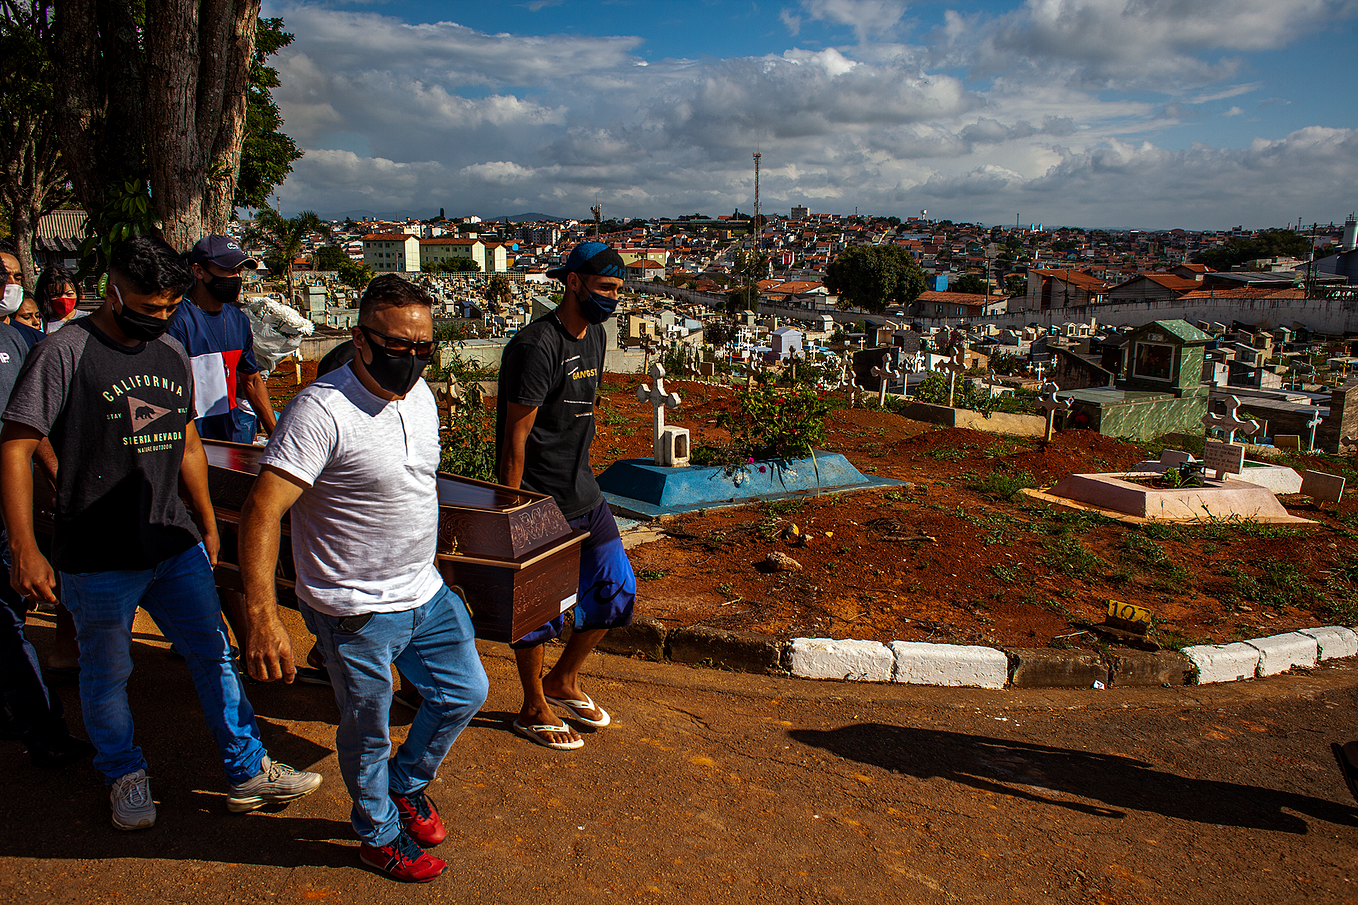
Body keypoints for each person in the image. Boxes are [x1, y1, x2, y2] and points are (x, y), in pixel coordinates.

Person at [0, 235, 321, 830]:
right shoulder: (64, 353)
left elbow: (189, 440)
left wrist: (204, 515)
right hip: (96, 553)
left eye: (171, 307)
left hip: (172, 542)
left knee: (215, 654)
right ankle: (124, 773)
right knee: (107, 672)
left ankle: (247, 768)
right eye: (149, 308)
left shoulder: (170, 349)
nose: (162, 318)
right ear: (114, 291)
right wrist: (24, 547)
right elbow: (16, 447)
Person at [240, 274, 488, 883]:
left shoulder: (422, 394)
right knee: (366, 730)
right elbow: (263, 510)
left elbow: (415, 489)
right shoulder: (320, 411)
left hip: (423, 590)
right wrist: (263, 614)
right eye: (397, 346)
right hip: (353, 607)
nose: (411, 358)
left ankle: (406, 785)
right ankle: (377, 834)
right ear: (361, 339)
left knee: (465, 693)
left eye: (423, 346)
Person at [496, 241, 637, 751]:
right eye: (605, 288)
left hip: (584, 491)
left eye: (619, 290)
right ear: (573, 282)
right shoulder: (537, 346)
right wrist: (508, 514)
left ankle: (564, 680)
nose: (613, 299)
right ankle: (532, 703)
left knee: (617, 589)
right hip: (537, 498)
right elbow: (516, 438)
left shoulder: (596, 335)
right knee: (537, 611)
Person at [0, 297, 93, 769]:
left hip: (8, 508)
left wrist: (58, 478)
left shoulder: (22, 341)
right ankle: (40, 726)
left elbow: (29, 429)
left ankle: (37, 723)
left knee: (7, 618)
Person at [166, 235, 276, 444]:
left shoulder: (238, 320)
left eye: (238, 271)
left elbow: (251, 380)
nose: (235, 278)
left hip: (231, 436)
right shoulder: (178, 321)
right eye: (227, 270)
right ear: (198, 271)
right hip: (193, 440)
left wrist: (277, 435)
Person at [36, 266, 85, 334]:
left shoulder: (91, 319)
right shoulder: (39, 324)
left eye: (69, 293)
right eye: (55, 295)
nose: (63, 299)